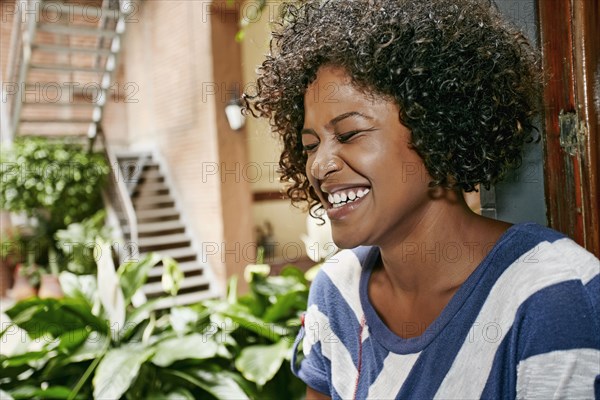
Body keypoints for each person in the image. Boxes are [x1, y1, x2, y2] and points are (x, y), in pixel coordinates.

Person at [244, 0, 600, 398]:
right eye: (310, 145)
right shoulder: (336, 292)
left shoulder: (551, 292)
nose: (319, 165)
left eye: (349, 135)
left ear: (439, 129)